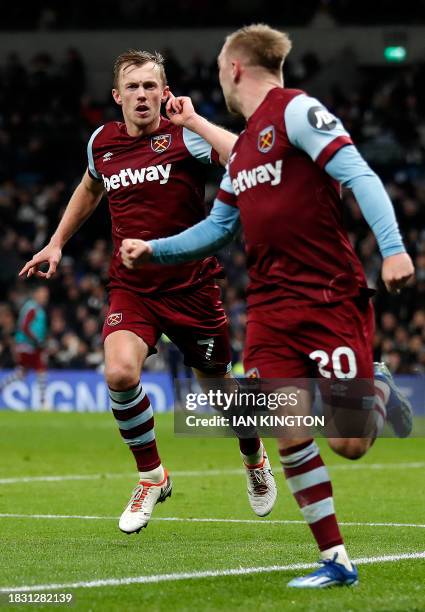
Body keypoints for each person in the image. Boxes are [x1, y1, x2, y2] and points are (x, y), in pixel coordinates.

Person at [119, 26, 415, 586]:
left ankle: (375, 390)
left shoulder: (298, 112)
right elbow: (216, 229)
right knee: (287, 428)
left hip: (328, 298)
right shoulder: (245, 147)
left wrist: (394, 249)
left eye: (217, 72)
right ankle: (335, 561)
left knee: (349, 443)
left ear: (234, 69)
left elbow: (360, 175)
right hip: (271, 310)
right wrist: (153, 250)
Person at [19, 50, 277, 535]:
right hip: (132, 287)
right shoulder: (103, 142)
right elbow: (90, 188)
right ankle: (151, 475)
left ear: (164, 91)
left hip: (192, 287)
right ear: (117, 96)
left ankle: (253, 454)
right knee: (118, 372)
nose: (142, 95)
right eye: (133, 87)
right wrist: (56, 242)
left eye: (150, 86)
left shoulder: (186, 138)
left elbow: (248, 157)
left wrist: (197, 120)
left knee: (220, 395)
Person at [0, 285, 49, 408]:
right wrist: (37, 340)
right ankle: (43, 403)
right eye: (43, 294)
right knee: (40, 368)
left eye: (46, 295)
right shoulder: (32, 308)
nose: (45, 298)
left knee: (21, 373)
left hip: (31, 345)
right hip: (27, 345)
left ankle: (1, 386)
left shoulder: (36, 308)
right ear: (36, 294)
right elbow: (25, 326)